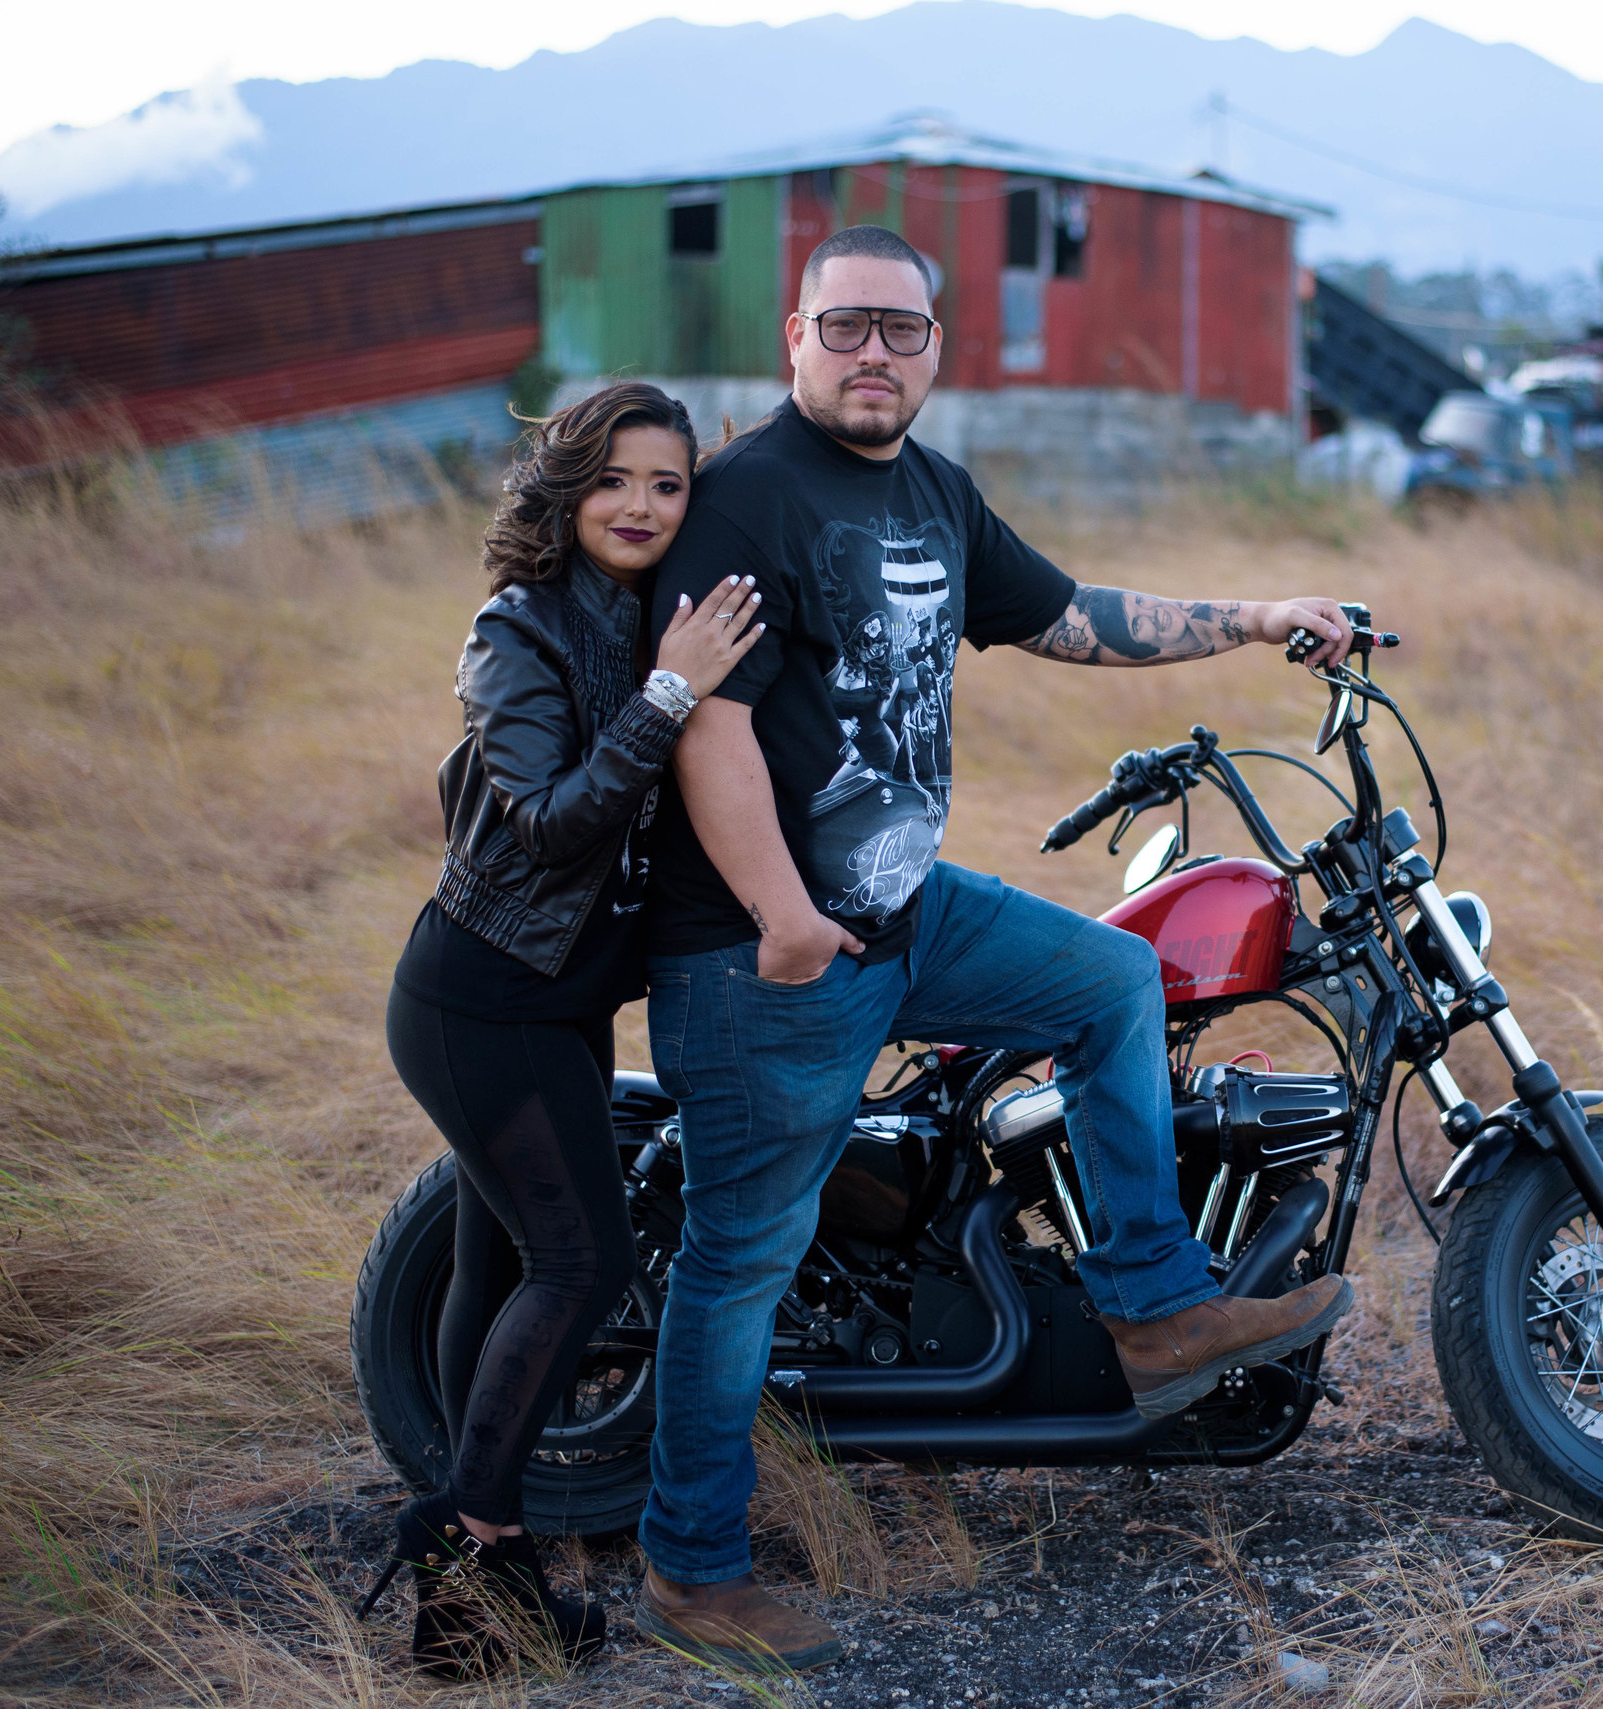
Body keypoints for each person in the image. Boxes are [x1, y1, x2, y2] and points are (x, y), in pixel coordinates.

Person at [632, 224, 1359, 1677]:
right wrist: (783, 914)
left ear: (937, 353)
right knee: (739, 1260)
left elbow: (1078, 618)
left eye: (902, 331)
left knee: (1107, 981)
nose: (874, 354)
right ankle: (692, 1564)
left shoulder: (933, 498)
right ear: (794, 337)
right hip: (765, 950)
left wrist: (1260, 614)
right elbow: (707, 724)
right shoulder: (745, 502)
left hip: (907, 915)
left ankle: (1155, 1307)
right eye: (846, 328)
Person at [362, 383, 765, 1676]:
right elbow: (548, 821)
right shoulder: (515, 630)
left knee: (502, 1273)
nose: (642, 506)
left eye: (669, 483)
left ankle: (481, 1587)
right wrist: (666, 693)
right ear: (566, 489)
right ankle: (466, 1539)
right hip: (480, 999)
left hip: (563, 1000)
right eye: (614, 480)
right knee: (583, 1264)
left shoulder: (661, 614)